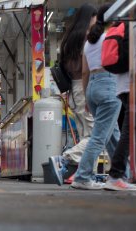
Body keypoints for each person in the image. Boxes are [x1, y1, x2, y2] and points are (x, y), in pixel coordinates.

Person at [71, 4, 121, 190]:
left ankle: (122, 175)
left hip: (92, 86)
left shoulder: (89, 42)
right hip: (109, 84)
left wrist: (86, 98)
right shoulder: (111, 36)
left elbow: (85, 73)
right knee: (99, 137)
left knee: (113, 135)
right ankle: (83, 176)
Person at [59, 4, 97, 140]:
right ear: (89, 18)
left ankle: (81, 161)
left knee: (84, 135)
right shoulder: (86, 38)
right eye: (95, 19)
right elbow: (86, 70)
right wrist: (88, 94)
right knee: (93, 136)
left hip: (72, 88)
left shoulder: (69, 38)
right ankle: (63, 159)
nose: (96, 22)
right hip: (83, 86)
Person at [105, 66, 136, 191]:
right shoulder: (128, 45)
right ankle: (115, 175)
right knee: (129, 132)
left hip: (121, 87)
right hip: (132, 85)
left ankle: (120, 175)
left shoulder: (88, 47)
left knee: (125, 132)